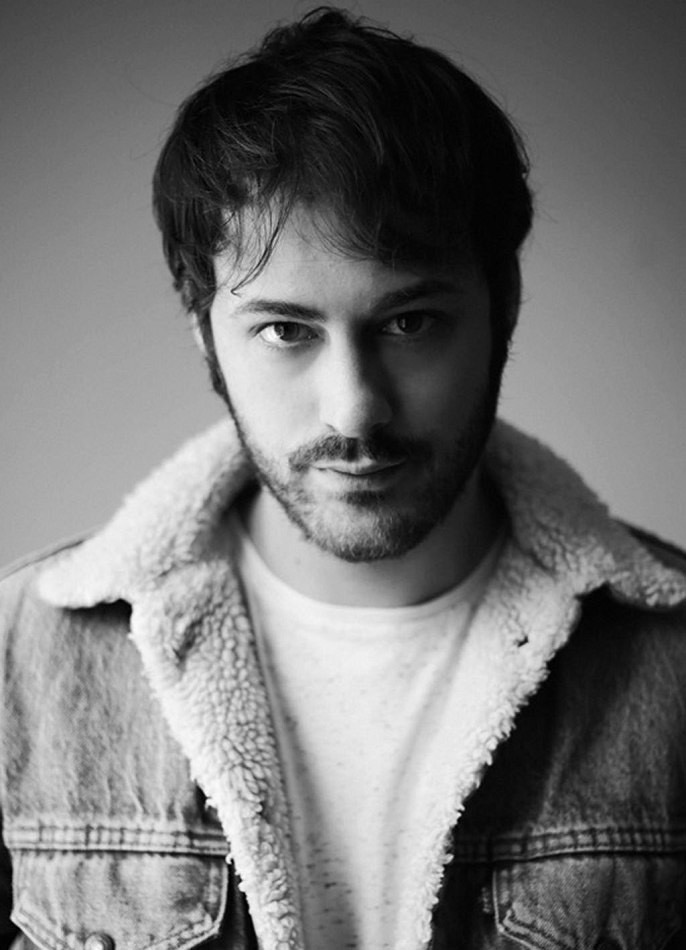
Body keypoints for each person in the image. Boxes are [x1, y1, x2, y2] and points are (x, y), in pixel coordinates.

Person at [2, 6, 686, 949]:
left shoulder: (672, 661)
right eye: (286, 330)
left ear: (505, 305)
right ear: (204, 332)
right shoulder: (20, 657)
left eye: (410, 323)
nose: (354, 410)